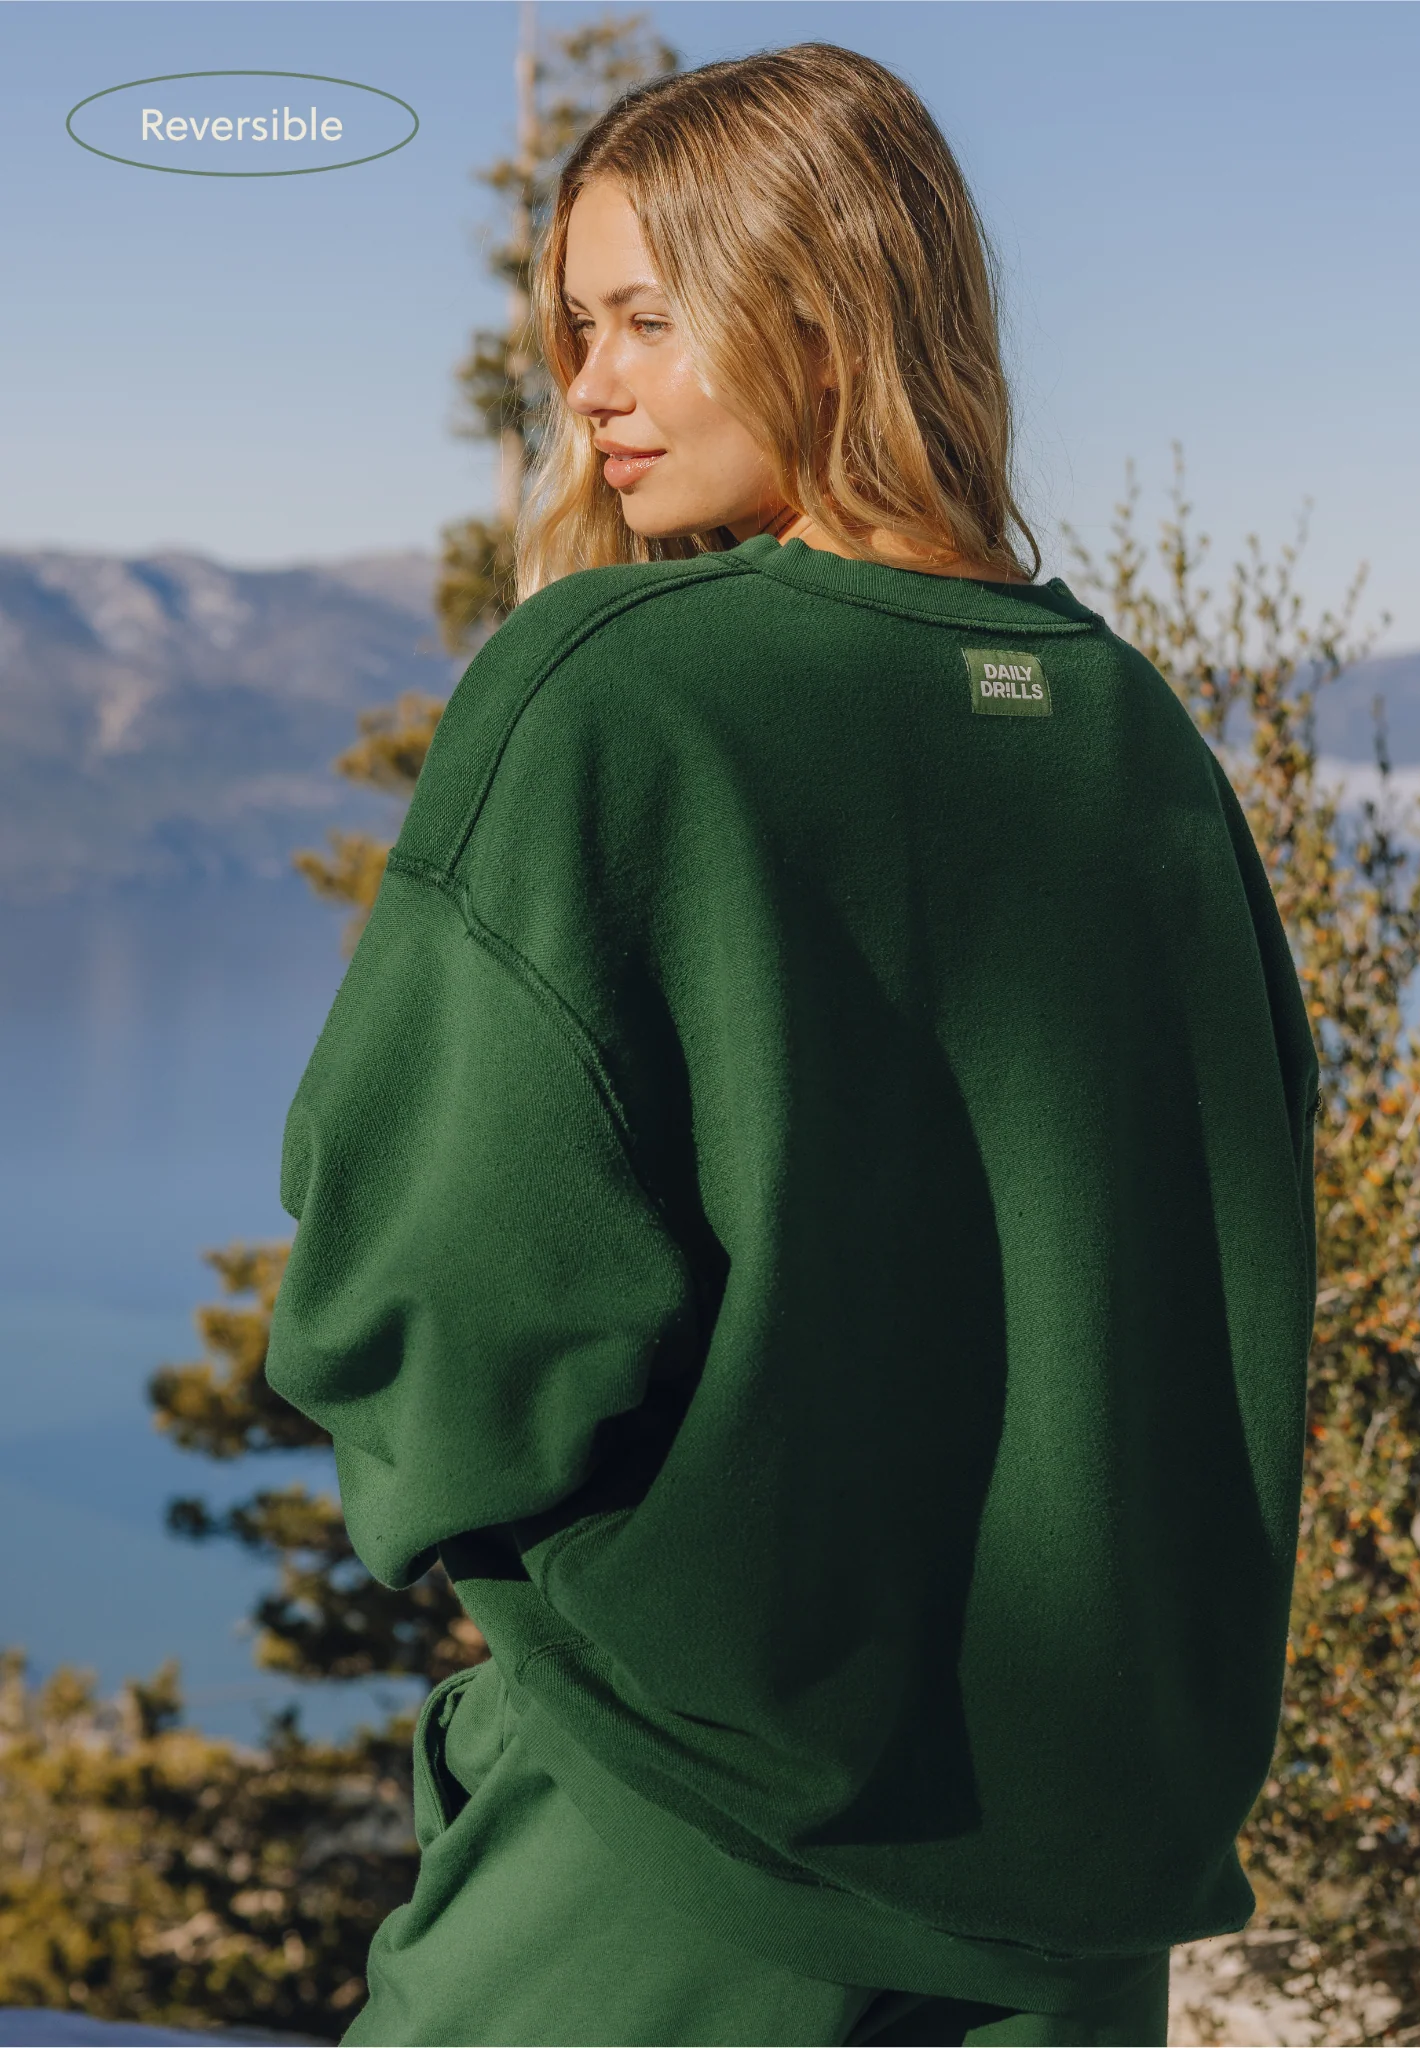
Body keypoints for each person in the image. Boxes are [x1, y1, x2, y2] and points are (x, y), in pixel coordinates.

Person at [264, 41, 1319, 2048]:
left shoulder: (613, 691)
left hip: (678, 1847)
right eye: (579, 329)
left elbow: (419, 1290)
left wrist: (562, 1611)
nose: (590, 387)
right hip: (1083, 1893)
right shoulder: (1139, 745)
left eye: (648, 319)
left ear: (824, 310)